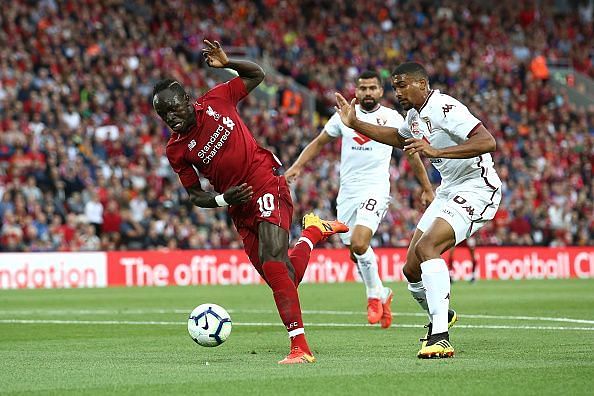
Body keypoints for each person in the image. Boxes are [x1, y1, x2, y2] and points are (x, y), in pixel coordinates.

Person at [153, 39, 348, 364]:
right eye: (163, 115)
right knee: (284, 275)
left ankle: (300, 348)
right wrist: (222, 199)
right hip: (237, 204)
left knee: (273, 263)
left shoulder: (216, 99)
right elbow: (195, 196)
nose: (171, 118)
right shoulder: (175, 150)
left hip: (264, 180)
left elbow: (256, 75)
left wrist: (229, 62)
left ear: (187, 99)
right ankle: (312, 234)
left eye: (174, 108)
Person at [335, 62, 501, 359]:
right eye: (395, 86)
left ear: (422, 84)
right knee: (411, 269)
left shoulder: (444, 107)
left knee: (427, 248)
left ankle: (440, 336)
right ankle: (442, 312)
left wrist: (437, 152)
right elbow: (399, 139)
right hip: (450, 188)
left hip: (477, 187)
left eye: (402, 85)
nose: (397, 92)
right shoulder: (413, 116)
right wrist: (356, 124)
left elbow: (487, 141)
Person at [285, 70, 434, 328]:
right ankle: (382, 292)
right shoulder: (343, 117)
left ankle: (373, 296)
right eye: (363, 88)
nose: (367, 93)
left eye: (372, 88)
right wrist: (297, 166)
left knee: (359, 241)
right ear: (356, 90)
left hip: (375, 188)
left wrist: (426, 187)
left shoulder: (391, 117)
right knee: (355, 253)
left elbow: (411, 152)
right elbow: (319, 142)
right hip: (347, 193)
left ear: (380, 91)